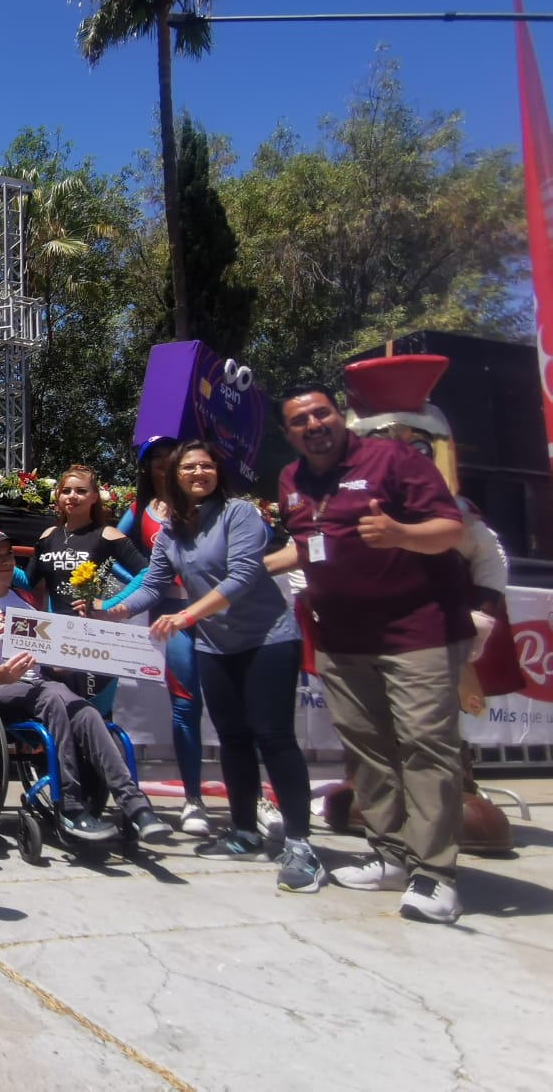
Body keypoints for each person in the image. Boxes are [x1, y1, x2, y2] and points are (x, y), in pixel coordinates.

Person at [268, 381, 472, 924]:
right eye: (300, 421)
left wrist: (399, 532)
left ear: (339, 416)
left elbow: (449, 530)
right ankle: (391, 857)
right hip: (340, 638)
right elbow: (309, 542)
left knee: (426, 748)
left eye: (321, 414)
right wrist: (249, 570)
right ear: (287, 434)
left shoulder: (393, 458)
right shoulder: (291, 480)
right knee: (370, 751)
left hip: (415, 632)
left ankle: (436, 874)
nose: (314, 425)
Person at [106, 441, 324, 892]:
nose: (198, 472)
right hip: (215, 646)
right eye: (189, 467)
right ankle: (244, 831)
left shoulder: (240, 514)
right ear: (174, 477)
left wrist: (186, 616)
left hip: (267, 639)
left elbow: (243, 576)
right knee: (232, 739)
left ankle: (301, 846)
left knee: (274, 737)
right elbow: (154, 584)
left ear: (217, 472)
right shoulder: (170, 531)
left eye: (206, 465)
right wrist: (116, 611)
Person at [0, 528, 173, 845]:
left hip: (40, 687)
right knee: (52, 697)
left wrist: (86, 652)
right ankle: (71, 807)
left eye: (8, 555)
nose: (6, 562)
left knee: (86, 712)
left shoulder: (27, 605)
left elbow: (53, 663)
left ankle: (135, 805)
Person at [113, 436, 209, 837]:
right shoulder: (140, 510)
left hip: (217, 613)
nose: (164, 466)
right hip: (170, 614)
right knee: (186, 704)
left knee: (237, 707)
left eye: (171, 459)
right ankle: (193, 800)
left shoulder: (213, 507)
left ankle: (251, 798)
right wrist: (130, 587)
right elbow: (107, 549)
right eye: (155, 460)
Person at [12, 464, 147, 717]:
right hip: (56, 640)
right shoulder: (49, 535)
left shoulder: (107, 534)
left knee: (95, 716)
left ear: (94, 497)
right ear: (58, 497)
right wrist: (0, 563)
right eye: (66, 491)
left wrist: (108, 606)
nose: (72, 497)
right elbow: (29, 581)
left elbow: (146, 574)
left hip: (94, 638)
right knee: (62, 715)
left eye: (81, 491)